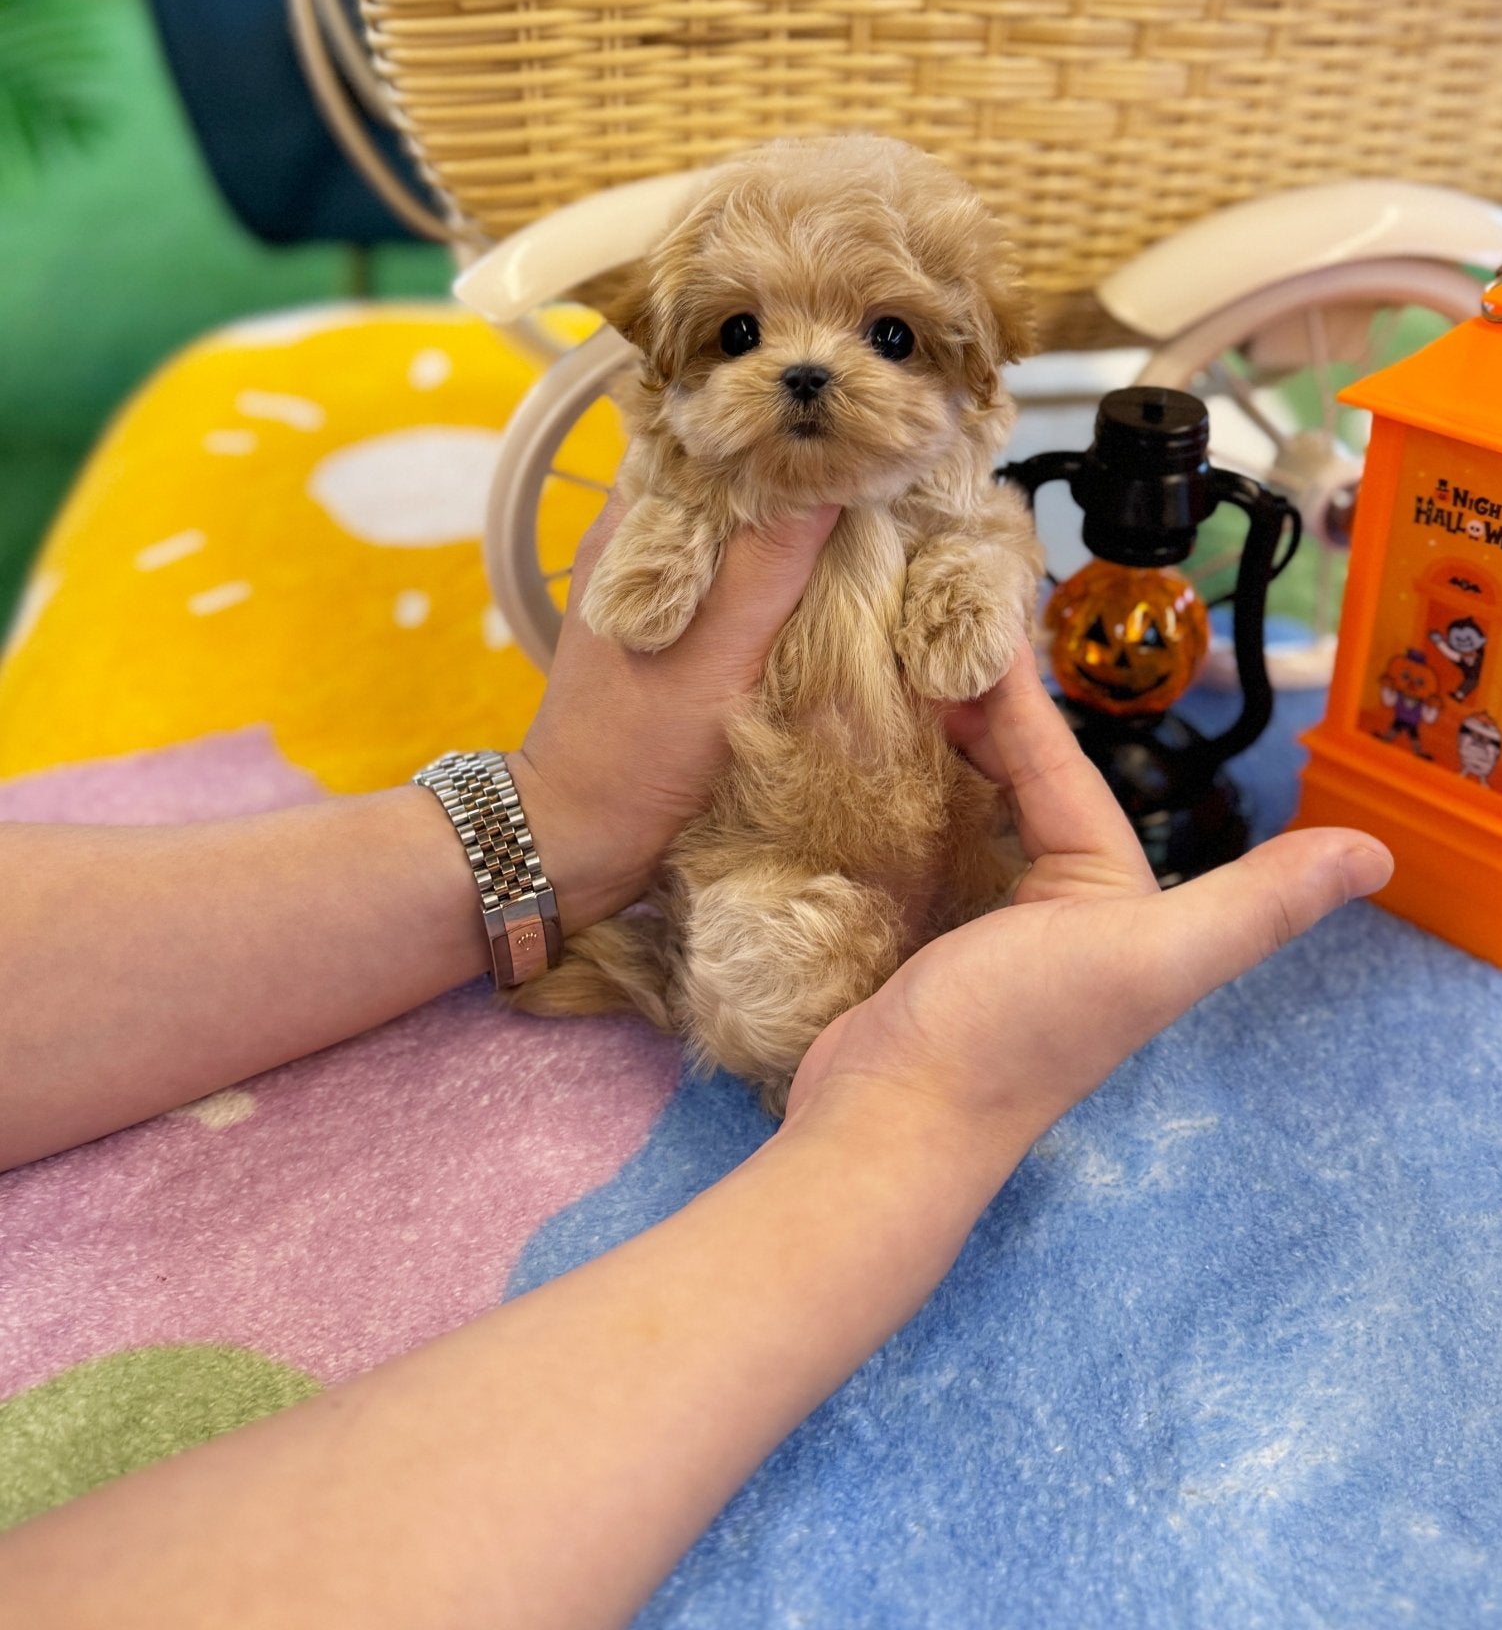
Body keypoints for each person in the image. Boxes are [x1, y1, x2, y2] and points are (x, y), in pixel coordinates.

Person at [0, 499, 1391, 1627]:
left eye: (889, 333)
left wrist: (555, 822)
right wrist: (912, 1120)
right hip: (782, 916)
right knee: (767, 951)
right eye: (740, 329)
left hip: (891, 864)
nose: (806, 373)